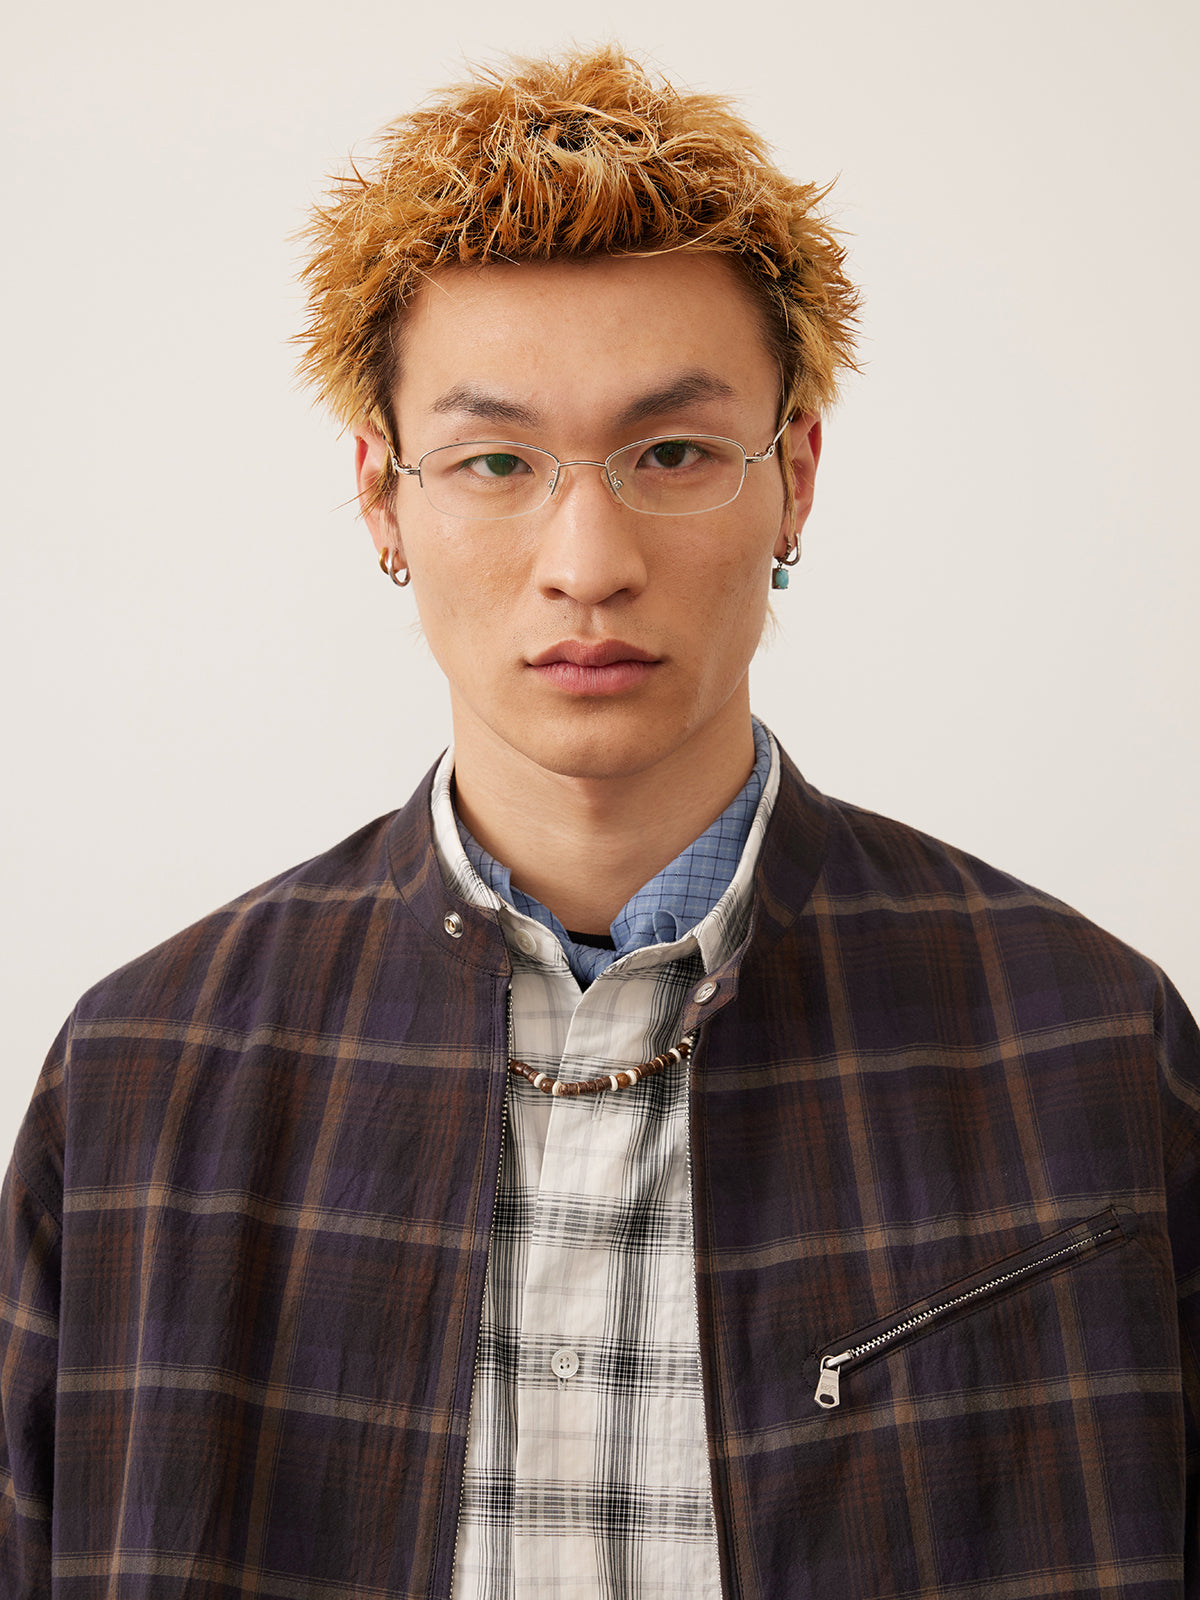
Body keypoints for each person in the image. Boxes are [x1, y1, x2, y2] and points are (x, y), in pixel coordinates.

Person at [1, 43, 1196, 1600]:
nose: (587, 560)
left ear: (796, 477)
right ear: (383, 497)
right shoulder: (140, 1090)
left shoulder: (1091, 1049)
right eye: (495, 460)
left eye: (673, 453)